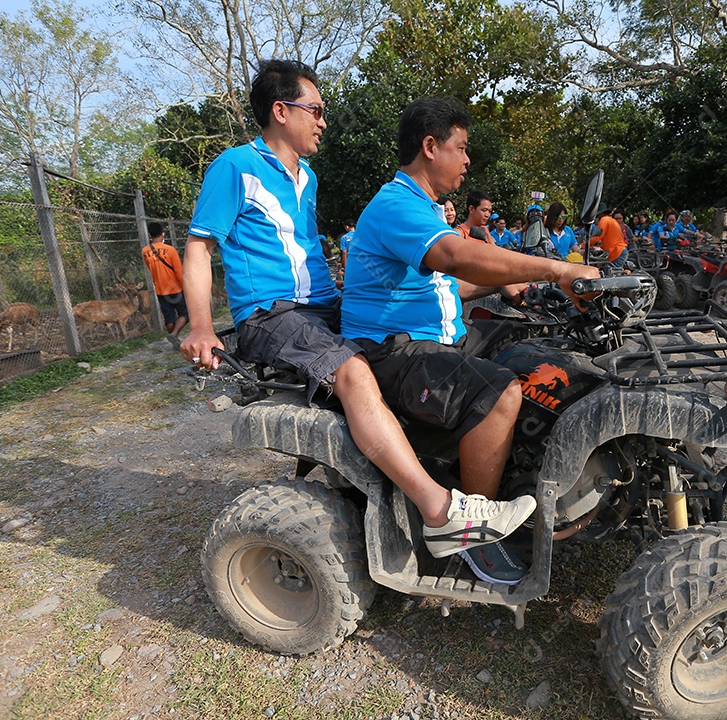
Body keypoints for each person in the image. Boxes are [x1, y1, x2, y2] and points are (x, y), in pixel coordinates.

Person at [179, 60, 535, 568]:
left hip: (322, 308)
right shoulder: (235, 166)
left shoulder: (307, 177)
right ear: (281, 111)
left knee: (394, 340)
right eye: (316, 110)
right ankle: (439, 511)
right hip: (272, 314)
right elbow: (198, 246)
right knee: (354, 370)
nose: (324, 121)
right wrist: (199, 326)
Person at [340, 97, 599, 584]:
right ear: (431, 147)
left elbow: (444, 283)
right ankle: (470, 532)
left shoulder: (424, 208)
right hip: (391, 350)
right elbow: (455, 258)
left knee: (532, 353)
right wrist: (559, 268)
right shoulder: (396, 205)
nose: (467, 161)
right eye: (461, 149)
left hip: (437, 337)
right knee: (501, 391)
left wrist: (502, 283)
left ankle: (519, 477)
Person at [140, 221, 188, 346]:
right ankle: (174, 334)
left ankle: (174, 342)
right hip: (175, 288)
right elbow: (178, 271)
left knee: (169, 317)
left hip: (160, 290)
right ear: (162, 234)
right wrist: (185, 287)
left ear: (150, 235)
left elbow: (150, 268)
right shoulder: (170, 250)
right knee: (185, 313)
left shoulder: (145, 251)